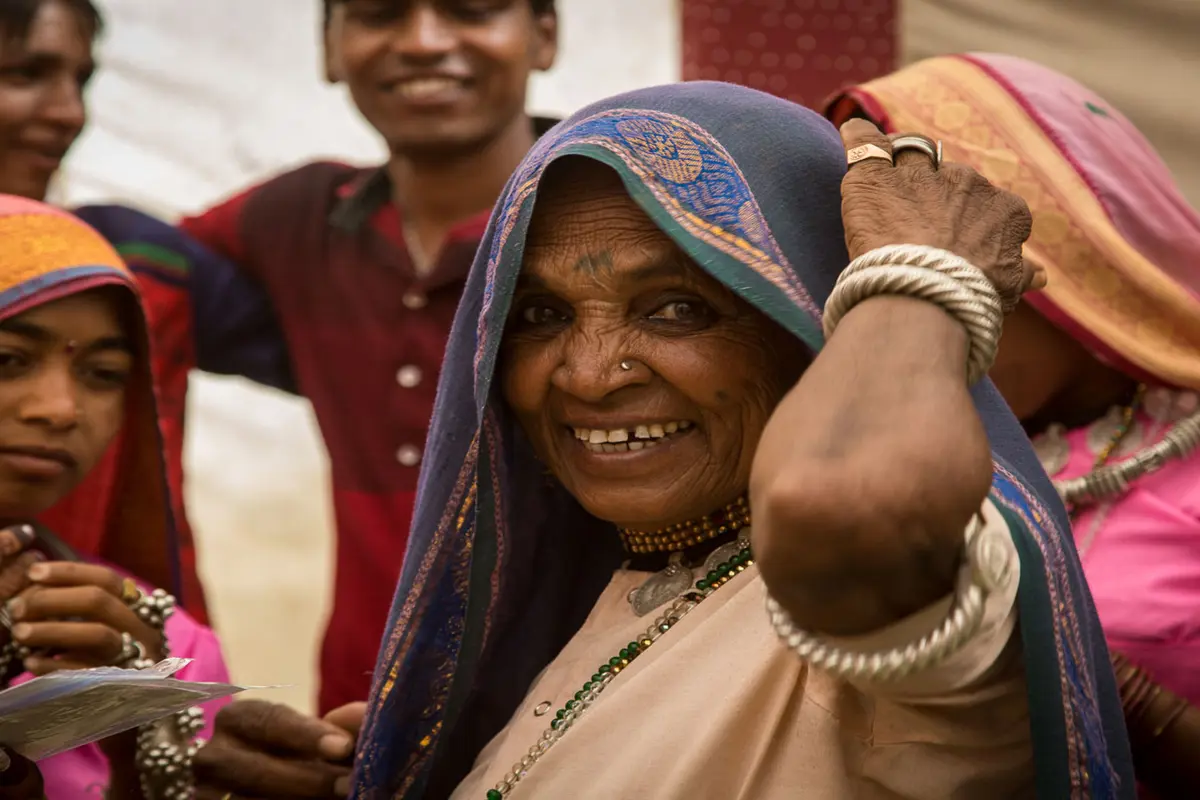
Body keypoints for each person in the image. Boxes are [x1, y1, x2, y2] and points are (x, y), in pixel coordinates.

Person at [191, 83, 1136, 798]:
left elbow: (842, 509)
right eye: (540, 314)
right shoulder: (622, 597)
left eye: (677, 307)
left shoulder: (903, 604)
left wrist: (920, 278)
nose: (590, 372)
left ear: (803, 315)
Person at [76, 0, 560, 713]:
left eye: (472, 10)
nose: (424, 42)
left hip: (573, 711)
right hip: (358, 714)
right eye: (379, 15)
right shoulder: (299, 220)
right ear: (329, 51)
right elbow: (124, 273)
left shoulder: (609, 211)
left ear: (543, 36)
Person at [823, 52, 1200, 797]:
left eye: (937, 253)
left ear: (1070, 245)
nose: (909, 300)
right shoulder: (897, 433)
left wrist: (1076, 664)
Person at [0, 196, 229, 798]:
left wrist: (142, 742)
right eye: (8, 359)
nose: (60, 409)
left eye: (104, 375)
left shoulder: (164, 647)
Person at [0, 0, 211, 624]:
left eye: (105, 373)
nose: (68, 112)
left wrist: (143, 681)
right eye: (22, 74)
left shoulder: (135, 257)